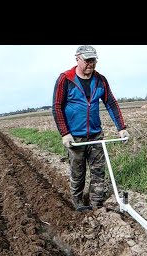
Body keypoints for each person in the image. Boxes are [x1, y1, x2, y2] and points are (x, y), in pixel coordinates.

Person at [52, 45, 129, 211]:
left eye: (93, 60)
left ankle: (96, 206)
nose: (90, 64)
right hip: (75, 138)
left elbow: (111, 103)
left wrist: (121, 127)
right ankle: (78, 203)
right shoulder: (66, 79)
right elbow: (57, 106)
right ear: (77, 59)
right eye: (87, 60)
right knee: (78, 174)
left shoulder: (100, 80)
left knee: (98, 173)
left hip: (95, 136)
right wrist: (65, 133)